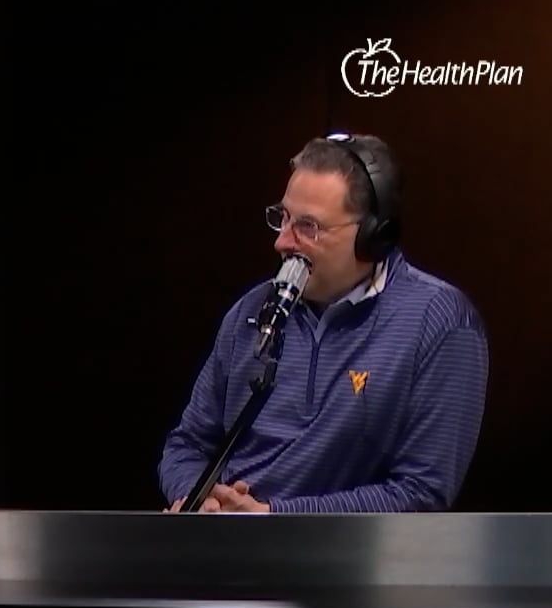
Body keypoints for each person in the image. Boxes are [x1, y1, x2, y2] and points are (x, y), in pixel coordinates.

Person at [157, 133, 488, 513]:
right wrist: (196, 500)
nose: (282, 242)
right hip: (227, 553)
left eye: (308, 227)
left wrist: (275, 519)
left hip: (347, 566)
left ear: (372, 236)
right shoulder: (252, 309)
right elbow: (187, 445)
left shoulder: (441, 321)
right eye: (282, 218)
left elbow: (421, 493)